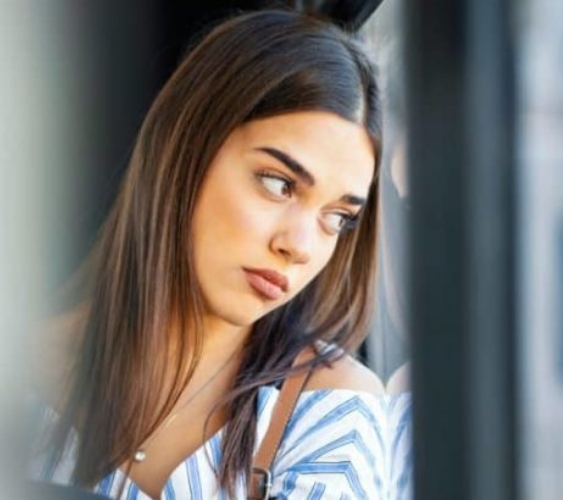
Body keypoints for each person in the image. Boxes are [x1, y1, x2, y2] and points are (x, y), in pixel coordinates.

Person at [29, 7, 391, 500]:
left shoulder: (330, 413)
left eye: (338, 217)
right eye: (278, 183)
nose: (300, 246)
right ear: (185, 149)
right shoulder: (20, 375)